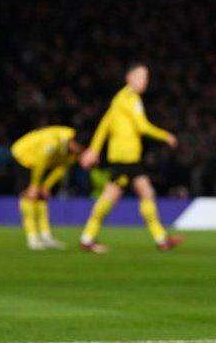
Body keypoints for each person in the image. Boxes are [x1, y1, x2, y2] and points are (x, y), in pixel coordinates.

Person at [78, 63, 184, 253]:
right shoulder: (130, 98)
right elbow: (142, 126)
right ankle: (87, 238)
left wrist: (94, 149)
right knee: (113, 196)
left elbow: (105, 123)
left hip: (127, 158)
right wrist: (165, 136)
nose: (145, 81)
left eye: (146, 77)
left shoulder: (120, 98)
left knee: (145, 193)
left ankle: (161, 239)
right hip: (125, 158)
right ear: (129, 78)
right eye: (141, 77)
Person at [11, 125, 87, 250]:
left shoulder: (76, 148)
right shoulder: (52, 142)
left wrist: (46, 186)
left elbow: (63, 167)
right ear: (72, 142)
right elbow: (41, 162)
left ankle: (45, 236)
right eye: (78, 148)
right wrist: (34, 186)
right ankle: (32, 238)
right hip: (24, 156)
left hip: (47, 162)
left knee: (41, 198)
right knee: (29, 197)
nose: (78, 152)